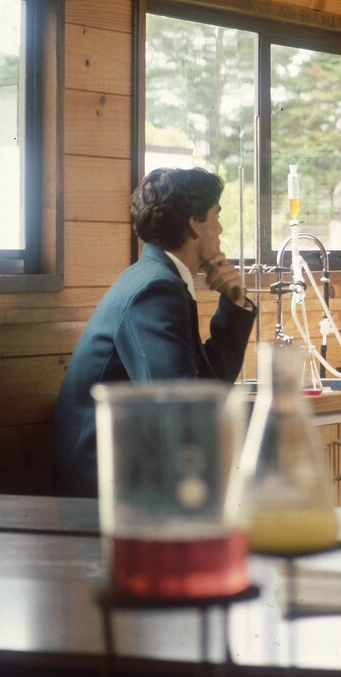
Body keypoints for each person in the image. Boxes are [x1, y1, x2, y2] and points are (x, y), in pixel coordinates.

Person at [54, 167, 257, 497]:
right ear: (194, 223)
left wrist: (233, 304)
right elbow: (180, 409)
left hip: (124, 475)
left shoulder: (157, 277)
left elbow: (204, 389)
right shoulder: (156, 289)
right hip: (102, 492)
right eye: (215, 217)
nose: (220, 229)